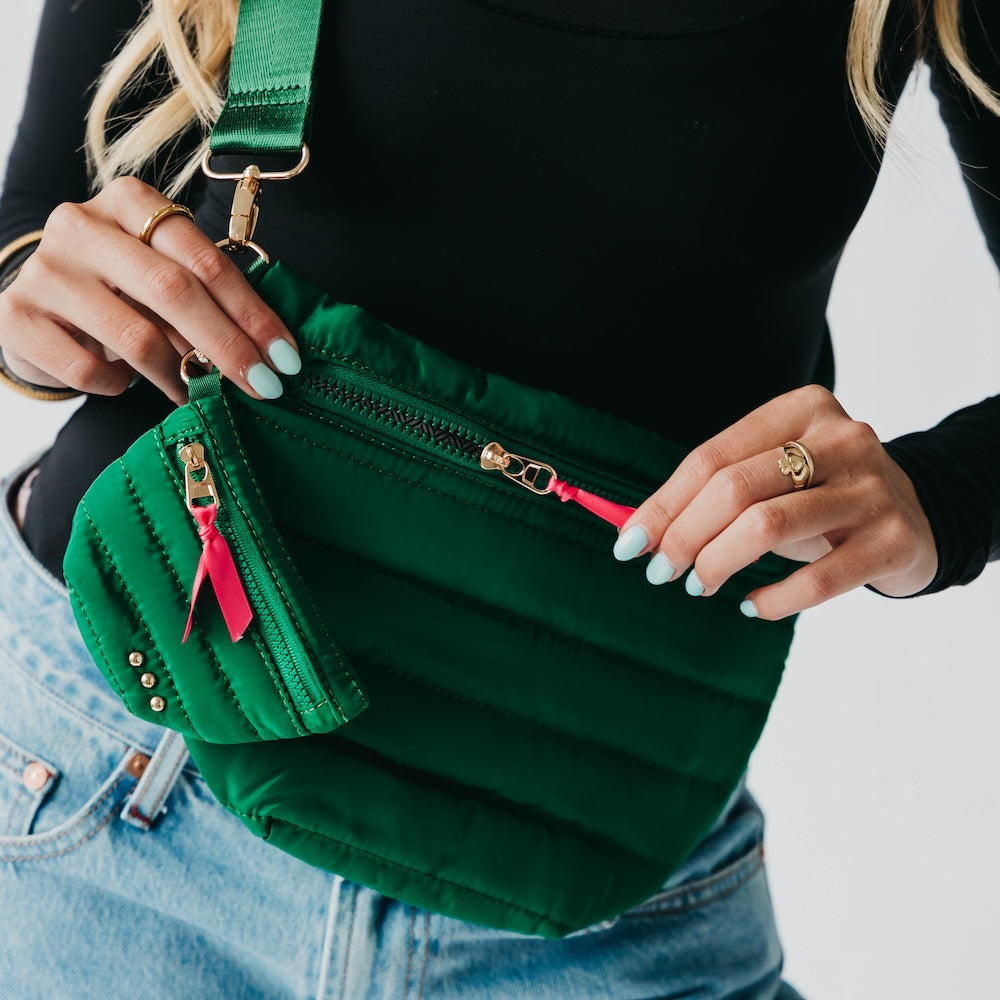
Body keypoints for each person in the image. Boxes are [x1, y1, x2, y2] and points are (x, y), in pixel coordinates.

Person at [0, 1, 998, 997]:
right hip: (117, 768)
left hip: (594, 857)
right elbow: (34, 217)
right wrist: (34, 305)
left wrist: (943, 497)